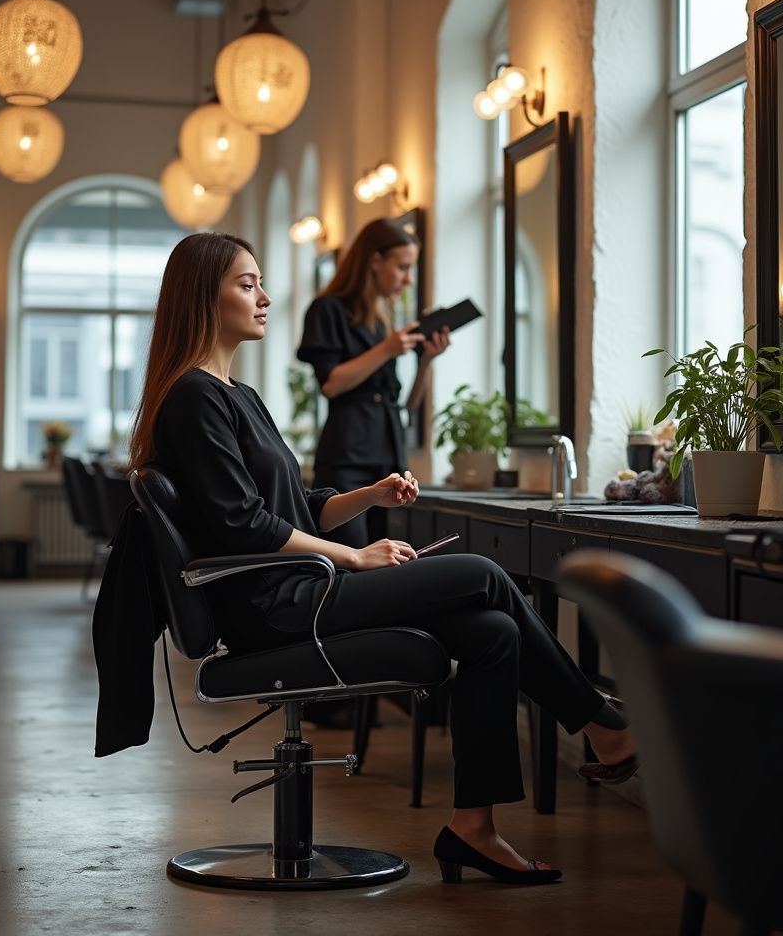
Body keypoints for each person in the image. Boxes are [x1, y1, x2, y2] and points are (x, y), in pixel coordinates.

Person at [128, 232, 637, 885]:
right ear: (205, 296)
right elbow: (243, 524)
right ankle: (599, 720)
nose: (266, 297)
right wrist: (353, 556)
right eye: (247, 284)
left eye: (259, 283)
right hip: (275, 608)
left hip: (295, 591)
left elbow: (292, 506)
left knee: (493, 632)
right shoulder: (194, 398)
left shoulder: (238, 396)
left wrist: (367, 495)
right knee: (482, 573)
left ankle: (473, 829)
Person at [297, 218, 449, 548]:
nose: (408, 279)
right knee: (353, 561)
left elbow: (404, 407)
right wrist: (387, 349)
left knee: (387, 563)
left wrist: (425, 363)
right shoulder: (327, 310)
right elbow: (331, 385)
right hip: (346, 460)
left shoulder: (379, 323)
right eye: (403, 267)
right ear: (375, 260)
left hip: (387, 459)